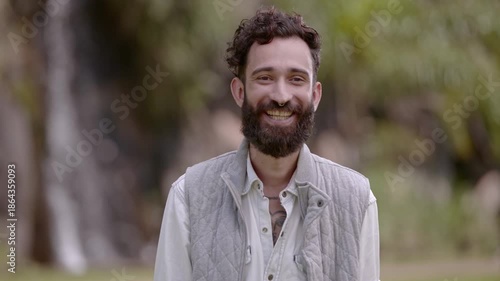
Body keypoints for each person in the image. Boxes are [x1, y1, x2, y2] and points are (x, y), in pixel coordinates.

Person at [154, 7, 380, 281]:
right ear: (239, 91)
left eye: (296, 79)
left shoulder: (357, 199)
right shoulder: (188, 197)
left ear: (315, 95)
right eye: (265, 78)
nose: (281, 96)